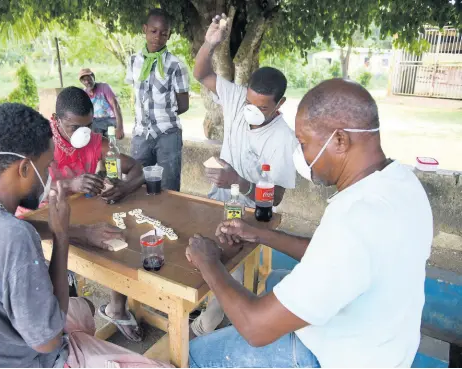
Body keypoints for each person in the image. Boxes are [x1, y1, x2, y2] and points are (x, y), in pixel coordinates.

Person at [185, 79, 433, 367]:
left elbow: (255, 328)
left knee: (197, 353)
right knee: (276, 279)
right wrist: (259, 235)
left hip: (339, 356)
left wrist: (209, 263)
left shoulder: (356, 218)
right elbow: (333, 254)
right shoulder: (400, 182)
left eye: (303, 143)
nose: (301, 156)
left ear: (339, 140)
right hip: (387, 344)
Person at [0, 103, 170, 368]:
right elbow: (50, 340)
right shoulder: (13, 239)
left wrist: (82, 232)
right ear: (23, 169)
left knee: (84, 309)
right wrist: (62, 237)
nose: (49, 177)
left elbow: (20, 229)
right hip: (38, 360)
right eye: (46, 168)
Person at [190, 14, 297, 337]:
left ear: (280, 104)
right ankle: (204, 298)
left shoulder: (283, 139)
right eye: (250, 101)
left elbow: (275, 196)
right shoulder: (237, 97)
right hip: (219, 197)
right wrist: (210, 43)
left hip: (252, 212)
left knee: (228, 265)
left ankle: (206, 326)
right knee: (200, 248)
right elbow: (201, 73)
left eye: (262, 108)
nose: (250, 110)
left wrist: (239, 180)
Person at [44, 86, 145, 342]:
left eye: (88, 125)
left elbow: (136, 168)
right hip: (46, 220)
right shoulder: (40, 143)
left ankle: (117, 309)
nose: (82, 134)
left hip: (84, 215)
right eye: (73, 127)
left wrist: (123, 187)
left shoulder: (96, 142)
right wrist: (69, 185)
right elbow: (27, 192)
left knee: (119, 241)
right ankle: (69, 334)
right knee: (62, 285)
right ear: (56, 121)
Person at [125, 8, 190, 191]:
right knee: (135, 186)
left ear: (169, 36)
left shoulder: (176, 65)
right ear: (145, 29)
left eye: (164, 34)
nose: (157, 37)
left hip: (167, 134)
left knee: (168, 187)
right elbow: (136, 94)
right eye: (153, 31)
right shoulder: (133, 61)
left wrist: (163, 115)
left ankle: (168, 219)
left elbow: (183, 105)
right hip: (141, 134)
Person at [79, 68, 125, 140]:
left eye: (89, 78)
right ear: (82, 82)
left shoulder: (104, 87)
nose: (87, 82)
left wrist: (120, 128)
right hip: (96, 122)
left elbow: (116, 106)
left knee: (94, 127)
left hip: (110, 120)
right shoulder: (84, 93)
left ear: (93, 77)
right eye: (84, 80)